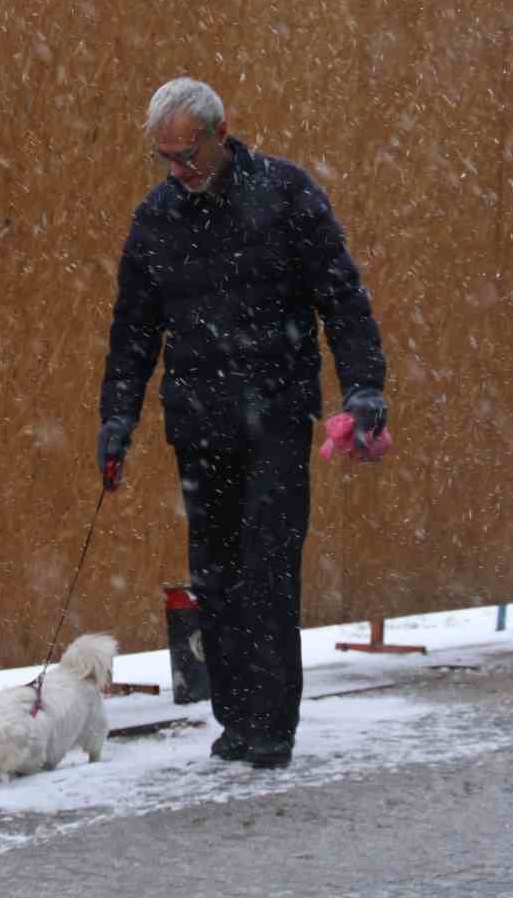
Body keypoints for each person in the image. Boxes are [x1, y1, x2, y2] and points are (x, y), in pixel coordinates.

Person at [97, 77, 388, 769]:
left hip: (277, 415)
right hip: (198, 422)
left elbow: (342, 297)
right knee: (215, 577)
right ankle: (234, 718)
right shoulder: (156, 218)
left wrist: (364, 387)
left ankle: (272, 724)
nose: (178, 170)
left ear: (220, 134)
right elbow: (133, 331)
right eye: (165, 157)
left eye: (188, 154)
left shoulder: (286, 195)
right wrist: (117, 418)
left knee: (268, 568)